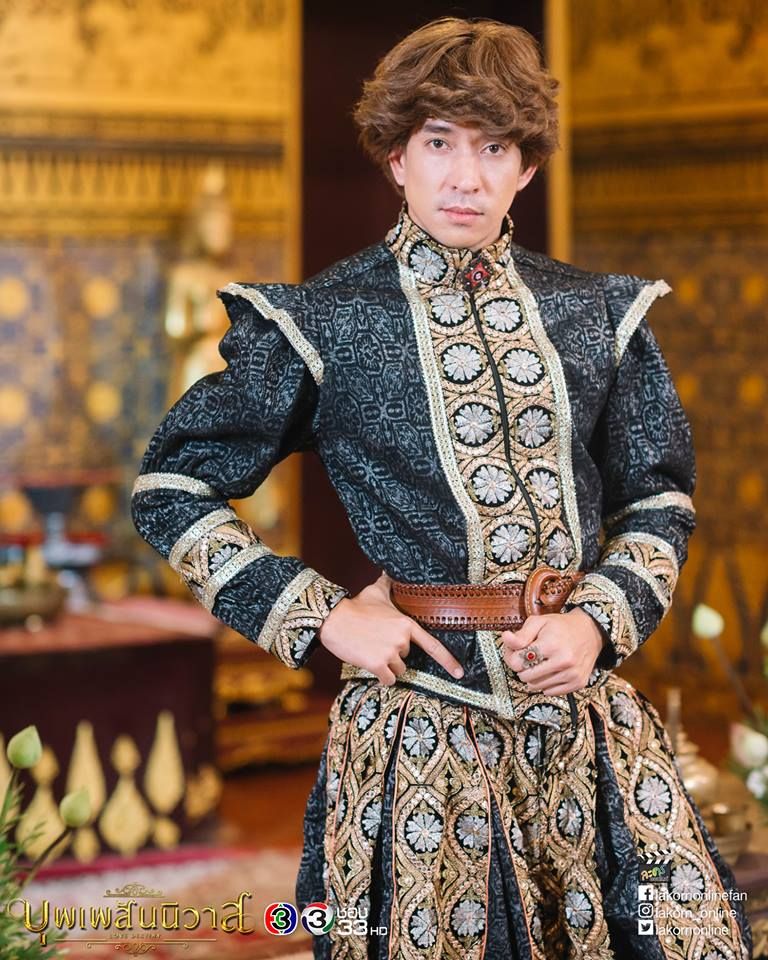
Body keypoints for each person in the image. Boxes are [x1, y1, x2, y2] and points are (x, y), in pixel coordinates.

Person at [131, 17, 751, 960]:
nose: (467, 176)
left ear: (527, 167)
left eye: (494, 148)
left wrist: (597, 622)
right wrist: (323, 615)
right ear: (396, 159)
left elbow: (657, 503)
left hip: (584, 726)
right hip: (420, 736)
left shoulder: (598, 314)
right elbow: (171, 484)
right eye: (439, 144)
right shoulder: (325, 321)